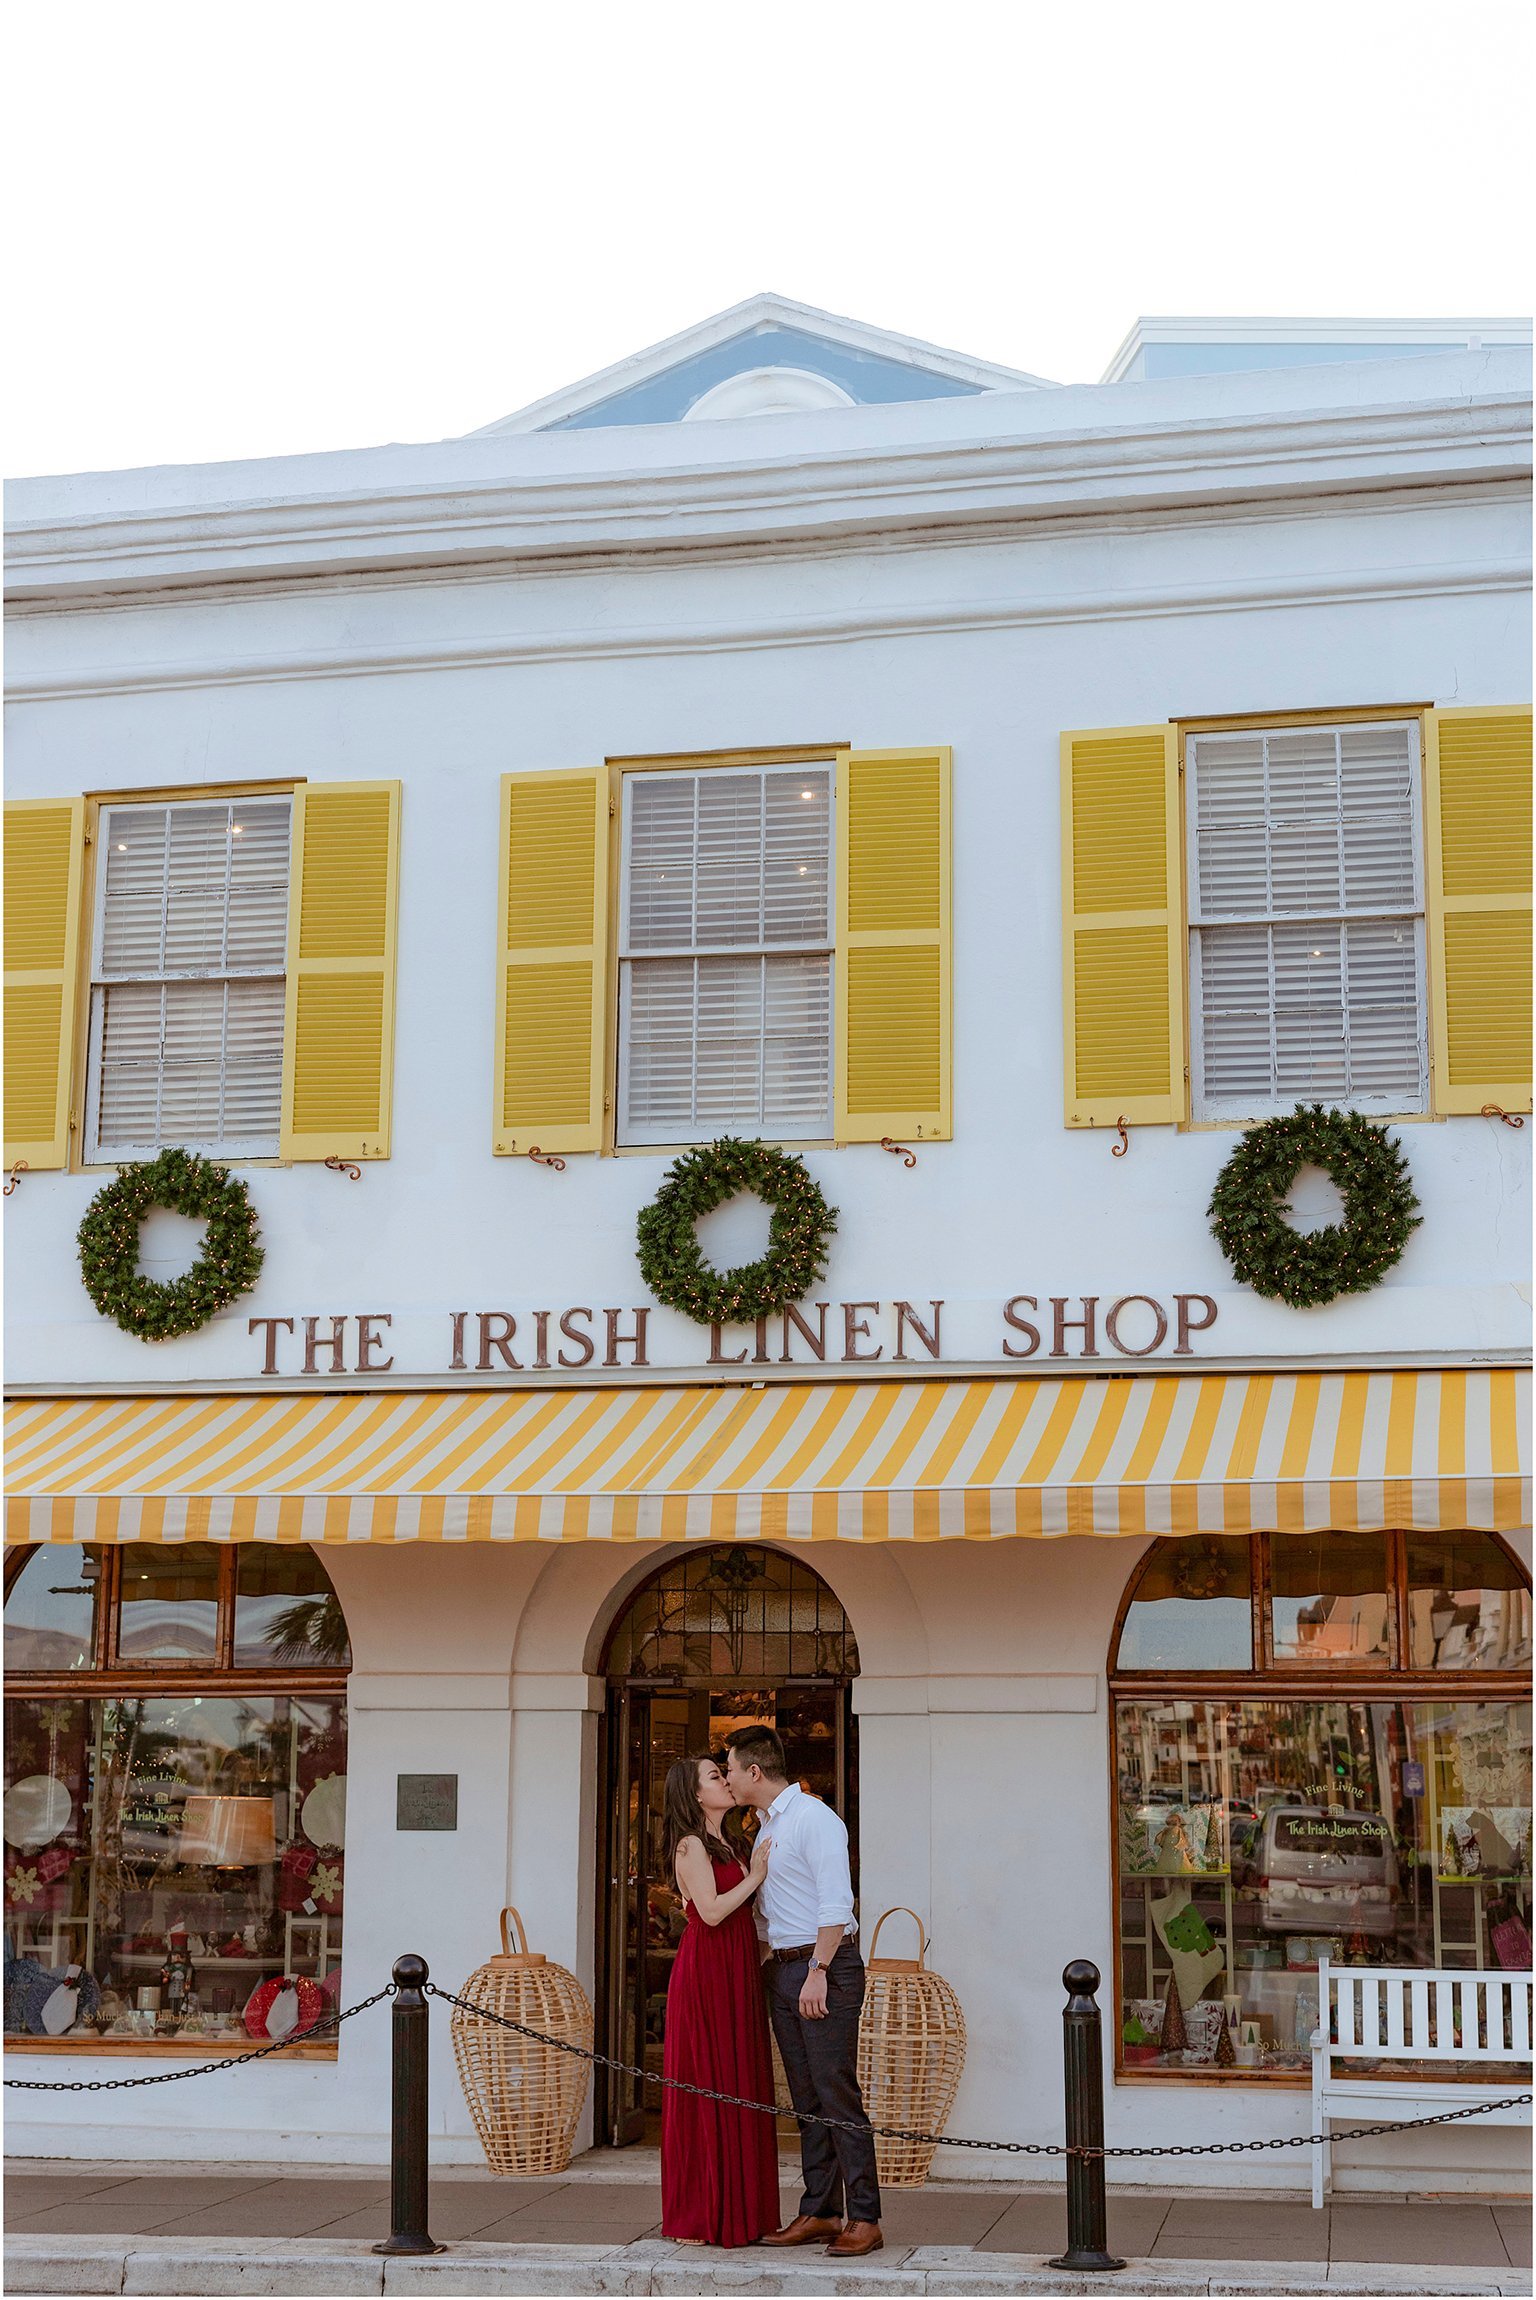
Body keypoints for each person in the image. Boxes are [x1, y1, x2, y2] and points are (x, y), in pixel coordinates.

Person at [723, 1724, 882, 2259]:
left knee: (836, 2093)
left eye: (729, 1768)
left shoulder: (814, 1819)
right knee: (807, 2096)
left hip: (824, 1970)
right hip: (787, 1970)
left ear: (754, 1771)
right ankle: (820, 2210)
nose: (725, 1777)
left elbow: (837, 1902)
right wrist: (772, 1961)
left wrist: (817, 1968)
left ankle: (865, 2217)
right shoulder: (765, 1824)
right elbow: (775, 1909)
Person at [658, 1755, 781, 2248]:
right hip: (708, 1967)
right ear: (694, 1794)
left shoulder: (730, 1840)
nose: (725, 1781)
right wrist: (756, 1876)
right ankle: (703, 2211)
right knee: (709, 2078)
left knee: (740, 2073)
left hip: (736, 1964)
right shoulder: (690, 1844)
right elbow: (709, 1913)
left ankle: (744, 2211)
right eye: (715, 1776)